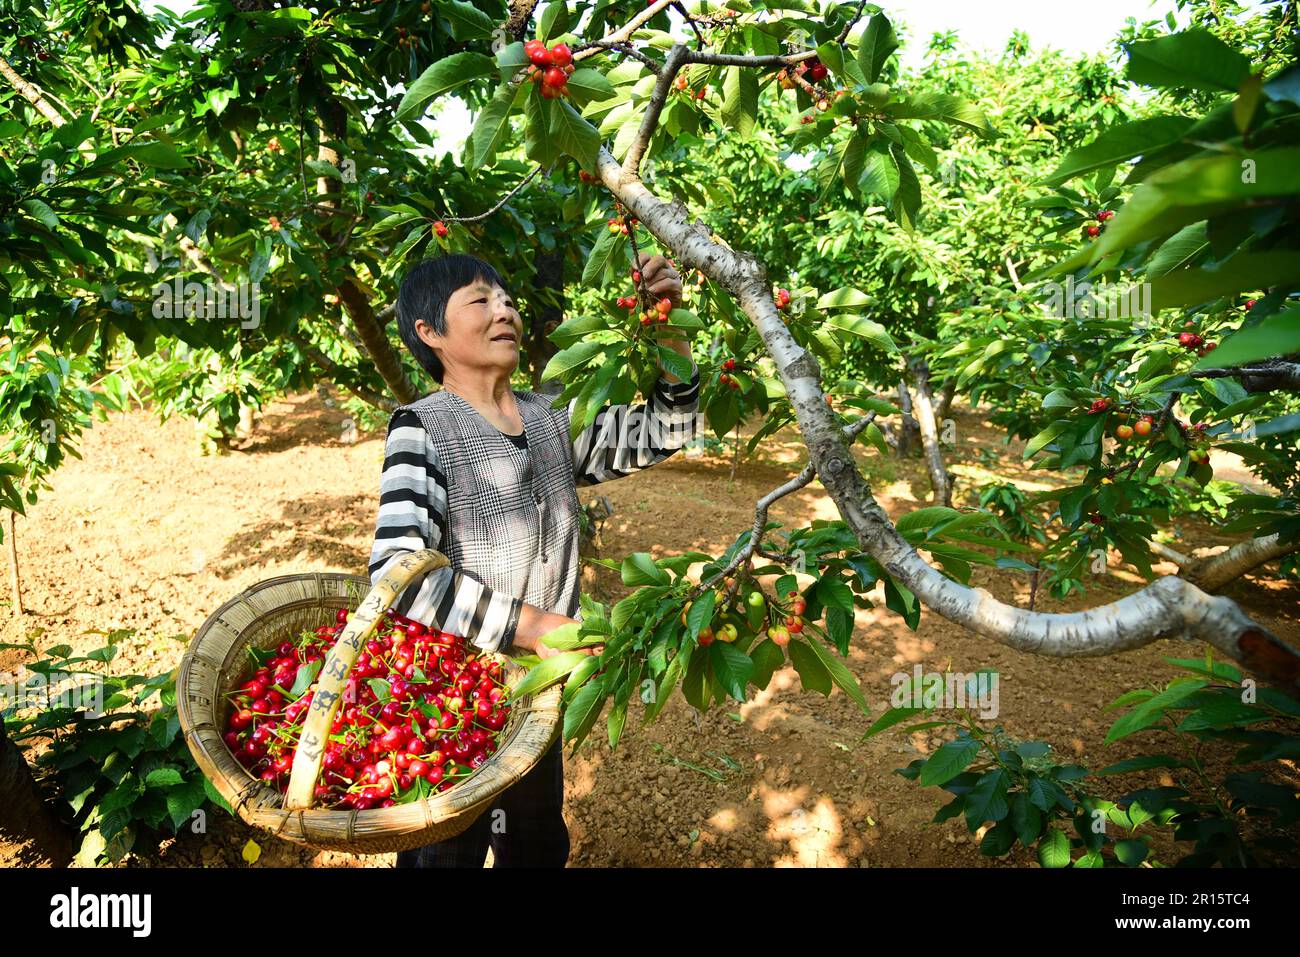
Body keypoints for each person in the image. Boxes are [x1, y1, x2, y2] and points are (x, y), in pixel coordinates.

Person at [367, 251, 701, 867]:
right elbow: (397, 573)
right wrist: (535, 626)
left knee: (538, 843)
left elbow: (670, 429)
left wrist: (668, 323)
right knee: (445, 852)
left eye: (508, 299)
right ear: (429, 333)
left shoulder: (550, 421)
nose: (506, 310)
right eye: (480, 300)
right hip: (449, 703)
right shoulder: (423, 428)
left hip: (536, 694)